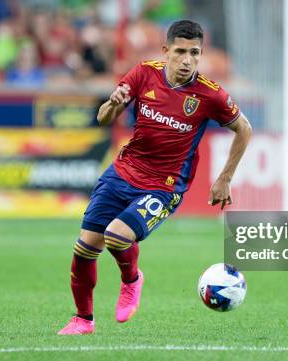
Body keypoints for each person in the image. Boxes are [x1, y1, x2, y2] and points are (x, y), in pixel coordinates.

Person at [58, 19, 251, 335]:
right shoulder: (143, 72)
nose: (187, 60)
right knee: (84, 248)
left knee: (117, 236)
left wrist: (225, 178)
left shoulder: (209, 94)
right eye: (180, 51)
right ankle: (83, 320)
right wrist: (113, 104)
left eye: (195, 53)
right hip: (122, 172)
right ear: (166, 51)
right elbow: (103, 118)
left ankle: (131, 279)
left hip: (164, 185)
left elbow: (244, 129)